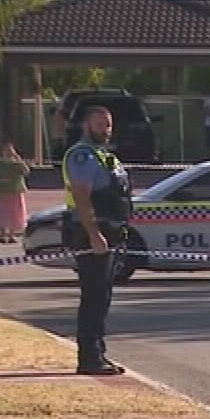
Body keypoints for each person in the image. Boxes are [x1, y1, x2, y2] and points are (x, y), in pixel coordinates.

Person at [61, 105, 134, 376]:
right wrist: (94, 234)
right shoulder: (82, 156)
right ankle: (89, 358)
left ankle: (98, 354)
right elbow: (82, 197)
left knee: (101, 297)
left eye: (109, 124)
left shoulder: (104, 156)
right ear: (86, 125)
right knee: (93, 297)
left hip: (108, 234)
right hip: (90, 235)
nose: (106, 130)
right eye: (101, 124)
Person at [0, 141, 30, 244]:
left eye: (11, 150)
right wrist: (2, 180)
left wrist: (19, 160)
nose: (9, 153)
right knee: (4, 213)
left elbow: (26, 172)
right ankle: (2, 235)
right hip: (4, 191)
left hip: (16, 191)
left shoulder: (17, 164)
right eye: (7, 150)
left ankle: (12, 235)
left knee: (15, 213)